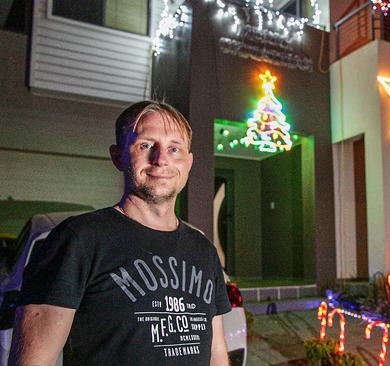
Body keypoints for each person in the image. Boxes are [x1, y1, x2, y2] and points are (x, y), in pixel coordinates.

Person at [9, 101, 231, 365]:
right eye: (146, 145)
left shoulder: (203, 249)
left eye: (174, 148)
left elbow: (217, 354)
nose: (161, 160)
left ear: (189, 162)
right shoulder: (79, 239)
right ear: (118, 156)